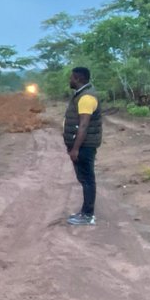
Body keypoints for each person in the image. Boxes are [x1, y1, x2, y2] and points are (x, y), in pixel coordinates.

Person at [63, 66, 100, 226]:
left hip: (84, 146)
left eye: (71, 77)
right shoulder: (82, 95)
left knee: (87, 179)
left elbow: (83, 125)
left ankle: (87, 215)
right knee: (85, 179)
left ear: (78, 78)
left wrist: (75, 149)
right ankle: (85, 212)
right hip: (83, 145)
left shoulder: (86, 98)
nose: (70, 80)